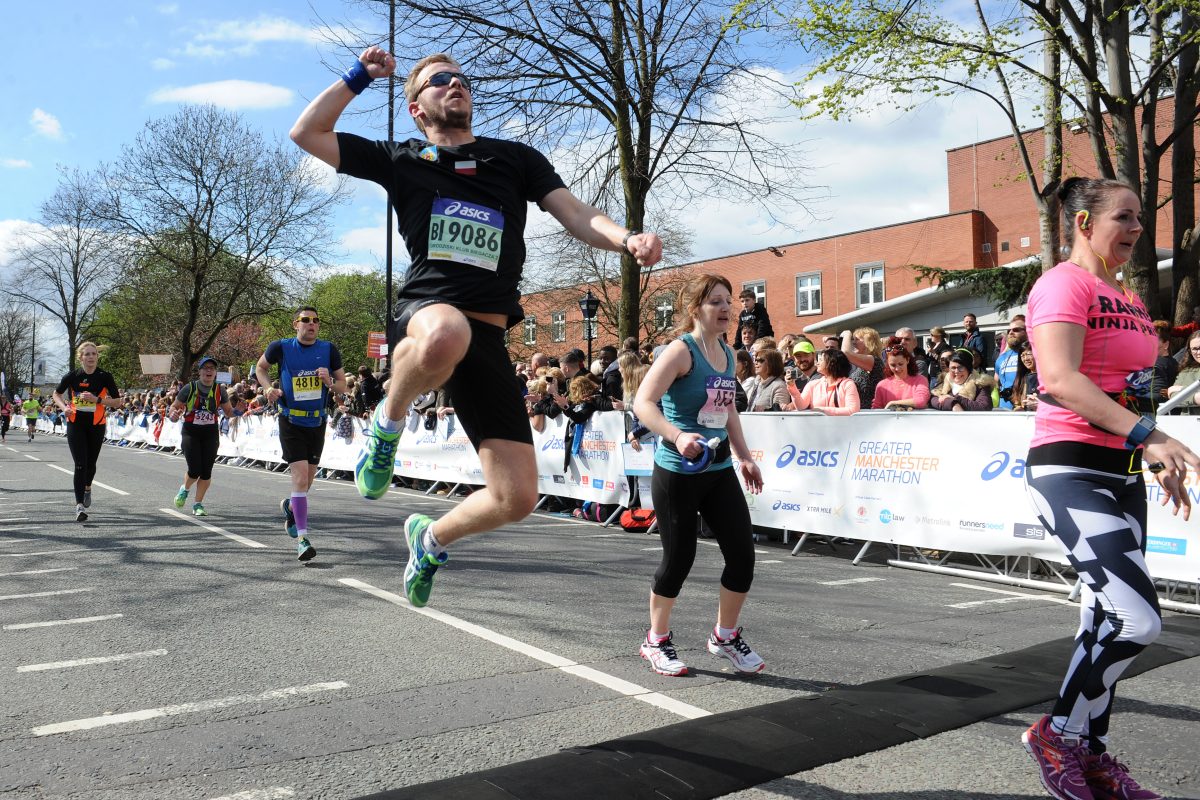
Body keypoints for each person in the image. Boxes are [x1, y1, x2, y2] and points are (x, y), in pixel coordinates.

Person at [291, 47, 663, 605]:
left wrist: (625, 238)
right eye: (439, 81)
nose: (454, 84)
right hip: (427, 312)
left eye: (460, 78)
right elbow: (307, 132)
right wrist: (359, 77)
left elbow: (576, 213)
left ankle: (431, 538)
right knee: (446, 333)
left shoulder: (514, 159)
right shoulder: (403, 158)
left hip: (487, 336)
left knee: (516, 497)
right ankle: (387, 427)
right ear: (418, 109)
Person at [1020, 176, 1200, 800]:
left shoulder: (1122, 295)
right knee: (1137, 621)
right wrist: (1150, 436)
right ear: (1082, 223)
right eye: (1122, 217)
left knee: (1103, 621)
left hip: (1121, 474)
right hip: (1067, 468)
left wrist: (1148, 448)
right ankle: (1057, 733)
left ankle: (1091, 758)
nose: (1134, 229)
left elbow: (1128, 390)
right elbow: (1061, 381)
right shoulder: (1062, 284)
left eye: (1140, 220)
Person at [632, 274, 764, 677]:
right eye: (715, 303)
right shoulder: (679, 351)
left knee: (742, 555)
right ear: (695, 310)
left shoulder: (725, 352)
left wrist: (744, 457)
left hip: (719, 469)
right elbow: (643, 402)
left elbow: (729, 412)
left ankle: (724, 636)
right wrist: (676, 434)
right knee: (679, 559)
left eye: (728, 301)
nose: (726, 309)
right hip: (678, 472)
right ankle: (656, 640)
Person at [255, 306, 348, 562]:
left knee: (307, 480)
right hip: (290, 420)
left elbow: (343, 386)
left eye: (316, 320)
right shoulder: (280, 347)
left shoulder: (329, 350)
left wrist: (329, 380)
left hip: (316, 422)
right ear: (295, 324)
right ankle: (303, 539)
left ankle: (290, 506)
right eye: (306, 320)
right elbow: (260, 368)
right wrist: (267, 389)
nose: (311, 324)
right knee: (298, 477)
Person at [51, 342, 122, 522]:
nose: (91, 357)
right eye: (87, 354)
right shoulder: (73, 376)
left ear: (97, 357)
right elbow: (56, 394)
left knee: (90, 464)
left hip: (97, 424)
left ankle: (88, 487)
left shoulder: (105, 377)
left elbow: (117, 402)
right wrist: (63, 408)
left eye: (94, 354)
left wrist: (97, 399)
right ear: (80, 357)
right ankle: (79, 506)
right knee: (80, 464)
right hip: (76, 423)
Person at [168, 357, 236, 517]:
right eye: (205, 368)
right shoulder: (189, 388)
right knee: (195, 469)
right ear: (199, 372)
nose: (209, 371)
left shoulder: (220, 390)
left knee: (206, 472)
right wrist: (173, 414)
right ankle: (184, 489)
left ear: (215, 373)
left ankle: (198, 504)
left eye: (212, 368)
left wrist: (240, 411)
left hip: (210, 432)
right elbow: (174, 407)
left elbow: (228, 412)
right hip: (191, 431)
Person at [786, 348, 860, 415]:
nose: (817, 363)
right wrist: (792, 387)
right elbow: (801, 406)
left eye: (821, 360)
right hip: (818, 428)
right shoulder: (813, 384)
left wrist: (822, 411)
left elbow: (853, 411)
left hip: (843, 428)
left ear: (831, 363)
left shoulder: (848, 384)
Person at [871, 338, 931, 410]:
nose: (897, 369)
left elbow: (921, 401)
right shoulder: (882, 385)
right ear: (887, 364)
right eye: (893, 365)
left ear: (907, 360)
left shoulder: (920, 380)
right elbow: (876, 409)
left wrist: (893, 403)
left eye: (900, 364)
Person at [841, 326, 884, 408]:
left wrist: (847, 334)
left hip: (869, 413)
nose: (853, 342)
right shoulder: (861, 364)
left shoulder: (874, 361)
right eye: (852, 339)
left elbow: (846, 352)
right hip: (859, 412)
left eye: (856, 339)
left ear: (868, 342)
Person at [995, 315, 1029, 410]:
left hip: (1026, 411)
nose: (1011, 332)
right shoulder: (1001, 358)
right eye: (1009, 330)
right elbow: (996, 383)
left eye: (1016, 330)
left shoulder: (1035, 354)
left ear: (1027, 331)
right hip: (1003, 410)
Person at [1165, 329, 1200, 414]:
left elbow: (1177, 395)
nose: (1198, 352)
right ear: (1190, 351)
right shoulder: (1186, 371)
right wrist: (1196, 398)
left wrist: (1182, 390)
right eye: (1195, 349)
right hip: (1188, 424)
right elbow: (1174, 398)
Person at [745, 348, 790, 412]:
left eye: (760, 360)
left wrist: (764, 409)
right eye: (755, 360)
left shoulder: (779, 386)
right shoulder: (755, 383)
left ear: (772, 363)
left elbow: (780, 413)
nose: (755, 363)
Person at [1012, 341, 1040, 412]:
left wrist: (1039, 404)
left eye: (1028, 354)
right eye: (1022, 356)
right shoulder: (1022, 378)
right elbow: (1018, 403)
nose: (1025, 359)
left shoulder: (1047, 377)